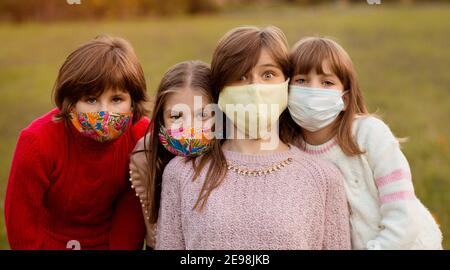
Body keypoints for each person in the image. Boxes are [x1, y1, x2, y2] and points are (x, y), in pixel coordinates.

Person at [156, 26, 351, 250]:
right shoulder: (182, 173)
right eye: (240, 76)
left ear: (286, 83)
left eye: (268, 75)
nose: (255, 88)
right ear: (221, 90)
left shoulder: (323, 179)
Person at [285, 36, 443, 249]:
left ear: (345, 99)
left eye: (327, 82)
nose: (314, 91)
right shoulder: (290, 150)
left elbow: (404, 216)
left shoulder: (370, 134)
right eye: (301, 80)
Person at [5, 35, 150, 250]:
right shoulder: (36, 142)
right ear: (71, 101)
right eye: (91, 100)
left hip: (109, 241)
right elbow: (21, 220)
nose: (104, 112)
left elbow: (131, 210)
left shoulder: (141, 137)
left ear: (133, 101)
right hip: (49, 243)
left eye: (117, 99)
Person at [129, 60, 214, 249]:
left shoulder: (233, 153)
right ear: (161, 119)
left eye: (203, 115)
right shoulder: (147, 156)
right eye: (176, 116)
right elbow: (154, 237)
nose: (189, 128)